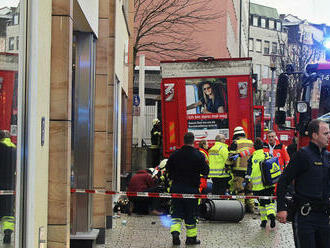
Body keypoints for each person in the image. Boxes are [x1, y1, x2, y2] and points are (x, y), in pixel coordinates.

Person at [276, 119, 330, 248]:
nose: (329, 136)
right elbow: (283, 181)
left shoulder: (328, 157)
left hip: (324, 216)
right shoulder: (302, 155)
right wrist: (281, 208)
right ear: (315, 135)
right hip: (306, 216)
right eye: (325, 133)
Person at [166, 132, 209, 246]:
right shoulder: (199, 155)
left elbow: (168, 169)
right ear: (193, 141)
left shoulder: (175, 154)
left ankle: (175, 233)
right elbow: (205, 171)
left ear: (183, 141)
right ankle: (191, 239)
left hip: (176, 189)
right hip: (192, 190)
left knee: (176, 213)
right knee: (191, 215)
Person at [246, 138, 276, 228]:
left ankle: (263, 221)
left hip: (257, 186)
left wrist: (247, 181)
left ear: (254, 147)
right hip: (269, 184)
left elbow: (248, 172)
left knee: (261, 203)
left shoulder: (252, 157)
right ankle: (272, 215)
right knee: (270, 202)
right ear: (263, 146)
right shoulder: (267, 154)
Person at [226, 126, 255, 213]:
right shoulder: (251, 142)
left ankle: (241, 208)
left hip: (238, 170)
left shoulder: (235, 143)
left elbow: (231, 157)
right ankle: (251, 208)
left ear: (236, 135)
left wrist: (227, 166)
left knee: (240, 190)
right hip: (250, 170)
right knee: (249, 190)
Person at [0, 130, 16, 244]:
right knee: (8, 211)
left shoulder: (1, 147)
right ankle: (8, 231)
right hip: (10, 184)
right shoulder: (14, 148)